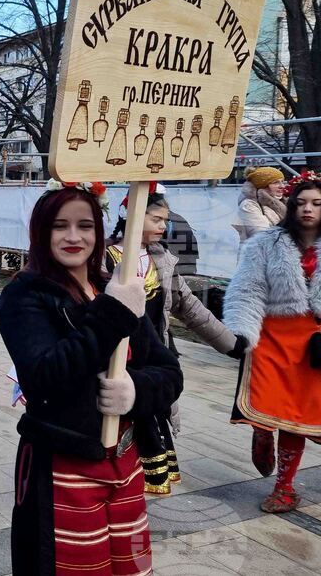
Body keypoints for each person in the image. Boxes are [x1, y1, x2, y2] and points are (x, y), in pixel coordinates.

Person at [0, 180, 183, 575]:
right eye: (59, 225)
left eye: (85, 225)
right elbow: (46, 375)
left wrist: (136, 392)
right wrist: (114, 312)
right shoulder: (24, 296)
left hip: (127, 462)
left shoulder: (111, 285)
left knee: (129, 567)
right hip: (62, 467)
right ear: (40, 231)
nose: (73, 236)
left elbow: (168, 370)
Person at [107, 187, 237, 495]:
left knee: (150, 434)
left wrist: (230, 343)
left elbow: (189, 307)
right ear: (132, 214)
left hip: (153, 359)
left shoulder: (162, 260)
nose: (163, 226)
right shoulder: (104, 255)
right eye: (156, 218)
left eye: (165, 220)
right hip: (116, 361)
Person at [223, 171, 321, 513]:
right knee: (268, 404)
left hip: (317, 341)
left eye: (316, 203)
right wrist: (241, 331)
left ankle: (284, 488)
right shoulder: (265, 243)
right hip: (272, 336)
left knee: (295, 416)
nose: (307, 209)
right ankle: (262, 429)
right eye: (300, 203)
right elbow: (248, 288)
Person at [236, 166, 286, 241]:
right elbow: (262, 235)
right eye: (276, 182)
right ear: (262, 185)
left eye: (282, 181)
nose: (282, 186)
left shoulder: (282, 202)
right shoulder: (248, 205)